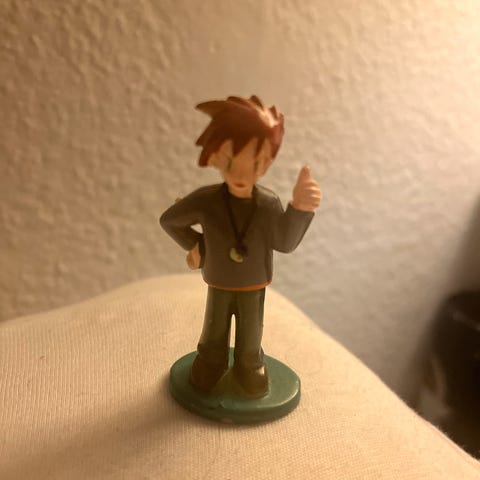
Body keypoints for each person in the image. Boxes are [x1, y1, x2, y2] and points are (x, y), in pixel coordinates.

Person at [160, 95, 321, 398]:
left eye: (255, 163)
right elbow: (170, 221)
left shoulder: (267, 204)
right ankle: (211, 360)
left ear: (268, 163)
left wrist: (300, 209)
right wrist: (199, 246)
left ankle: (249, 364)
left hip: (253, 283)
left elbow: (284, 242)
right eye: (230, 162)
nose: (240, 175)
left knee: (251, 332)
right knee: (214, 329)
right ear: (215, 157)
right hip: (219, 280)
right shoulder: (206, 201)